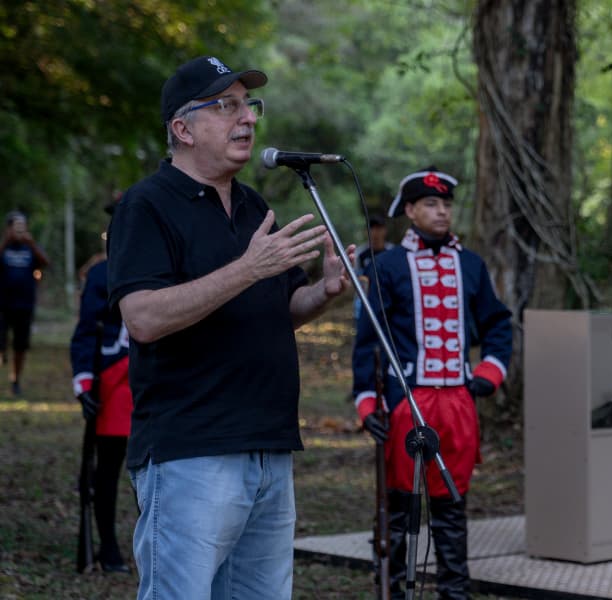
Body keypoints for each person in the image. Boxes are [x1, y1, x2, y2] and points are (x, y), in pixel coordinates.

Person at [107, 56, 353, 599]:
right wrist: (248, 268)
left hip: (269, 449)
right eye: (226, 106)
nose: (248, 119)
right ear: (182, 128)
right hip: (191, 453)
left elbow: (279, 306)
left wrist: (325, 294)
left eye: (249, 105)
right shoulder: (147, 206)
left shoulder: (252, 205)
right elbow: (143, 318)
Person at [353, 167, 513, 598]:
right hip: (407, 401)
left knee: (451, 508)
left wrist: (489, 373)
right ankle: (394, 592)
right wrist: (368, 404)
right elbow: (368, 340)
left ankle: (454, 594)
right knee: (399, 511)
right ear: (410, 210)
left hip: (458, 402)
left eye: (446, 205)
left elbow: (499, 323)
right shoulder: (387, 265)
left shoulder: (471, 264)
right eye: (430, 204)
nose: (441, 212)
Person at [69, 203, 133, 573]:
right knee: (108, 469)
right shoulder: (101, 275)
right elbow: (85, 334)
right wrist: (85, 384)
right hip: (113, 382)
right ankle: (108, 547)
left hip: (155, 380)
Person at [0, 211, 50, 396]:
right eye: (17, 226)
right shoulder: (4, 247)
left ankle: (15, 380)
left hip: (24, 305)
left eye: (23, 226)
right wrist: (5, 241)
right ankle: (2, 351)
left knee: (20, 346)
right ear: (9, 228)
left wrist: (32, 244)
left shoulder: (31, 248)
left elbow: (46, 263)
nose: (20, 230)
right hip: (3, 305)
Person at [355, 214, 394, 321]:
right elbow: (357, 279)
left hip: (389, 303)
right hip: (365, 303)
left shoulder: (392, 252)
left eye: (379, 228)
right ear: (366, 231)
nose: (375, 232)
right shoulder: (360, 254)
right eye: (371, 228)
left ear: (385, 230)